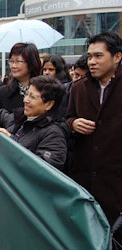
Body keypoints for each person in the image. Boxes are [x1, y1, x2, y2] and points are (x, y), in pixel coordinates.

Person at [65, 31, 122, 247]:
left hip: (116, 182)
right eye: (89, 56)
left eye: (98, 56)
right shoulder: (79, 88)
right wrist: (73, 124)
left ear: (117, 57)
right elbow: (67, 118)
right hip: (85, 181)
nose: (92, 62)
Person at [0, 75, 67, 170]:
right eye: (27, 94)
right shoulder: (21, 118)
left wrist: (12, 142)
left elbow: (46, 171)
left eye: (32, 97)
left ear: (49, 104)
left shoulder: (54, 134)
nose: (26, 100)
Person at [0, 43, 41, 112]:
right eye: (11, 61)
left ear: (31, 63)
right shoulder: (1, 94)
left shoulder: (45, 91)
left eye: (18, 61)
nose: (13, 66)